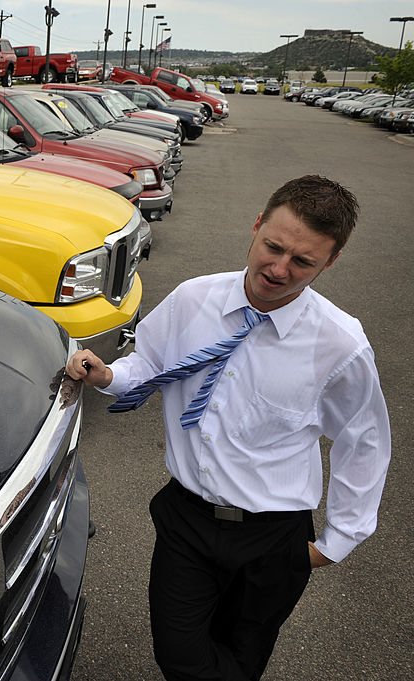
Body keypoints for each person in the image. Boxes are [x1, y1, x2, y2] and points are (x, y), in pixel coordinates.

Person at [64, 175, 391, 681]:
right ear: (256, 226)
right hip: (188, 520)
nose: (279, 270)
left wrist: (337, 540)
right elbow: (149, 362)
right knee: (180, 653)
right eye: (273, 247)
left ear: (330, 261)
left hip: (274, 535)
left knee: (245, 654)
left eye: (303, 261)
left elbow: (364, 442)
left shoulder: (340, 345)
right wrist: (108, 375)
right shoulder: (195, 299)